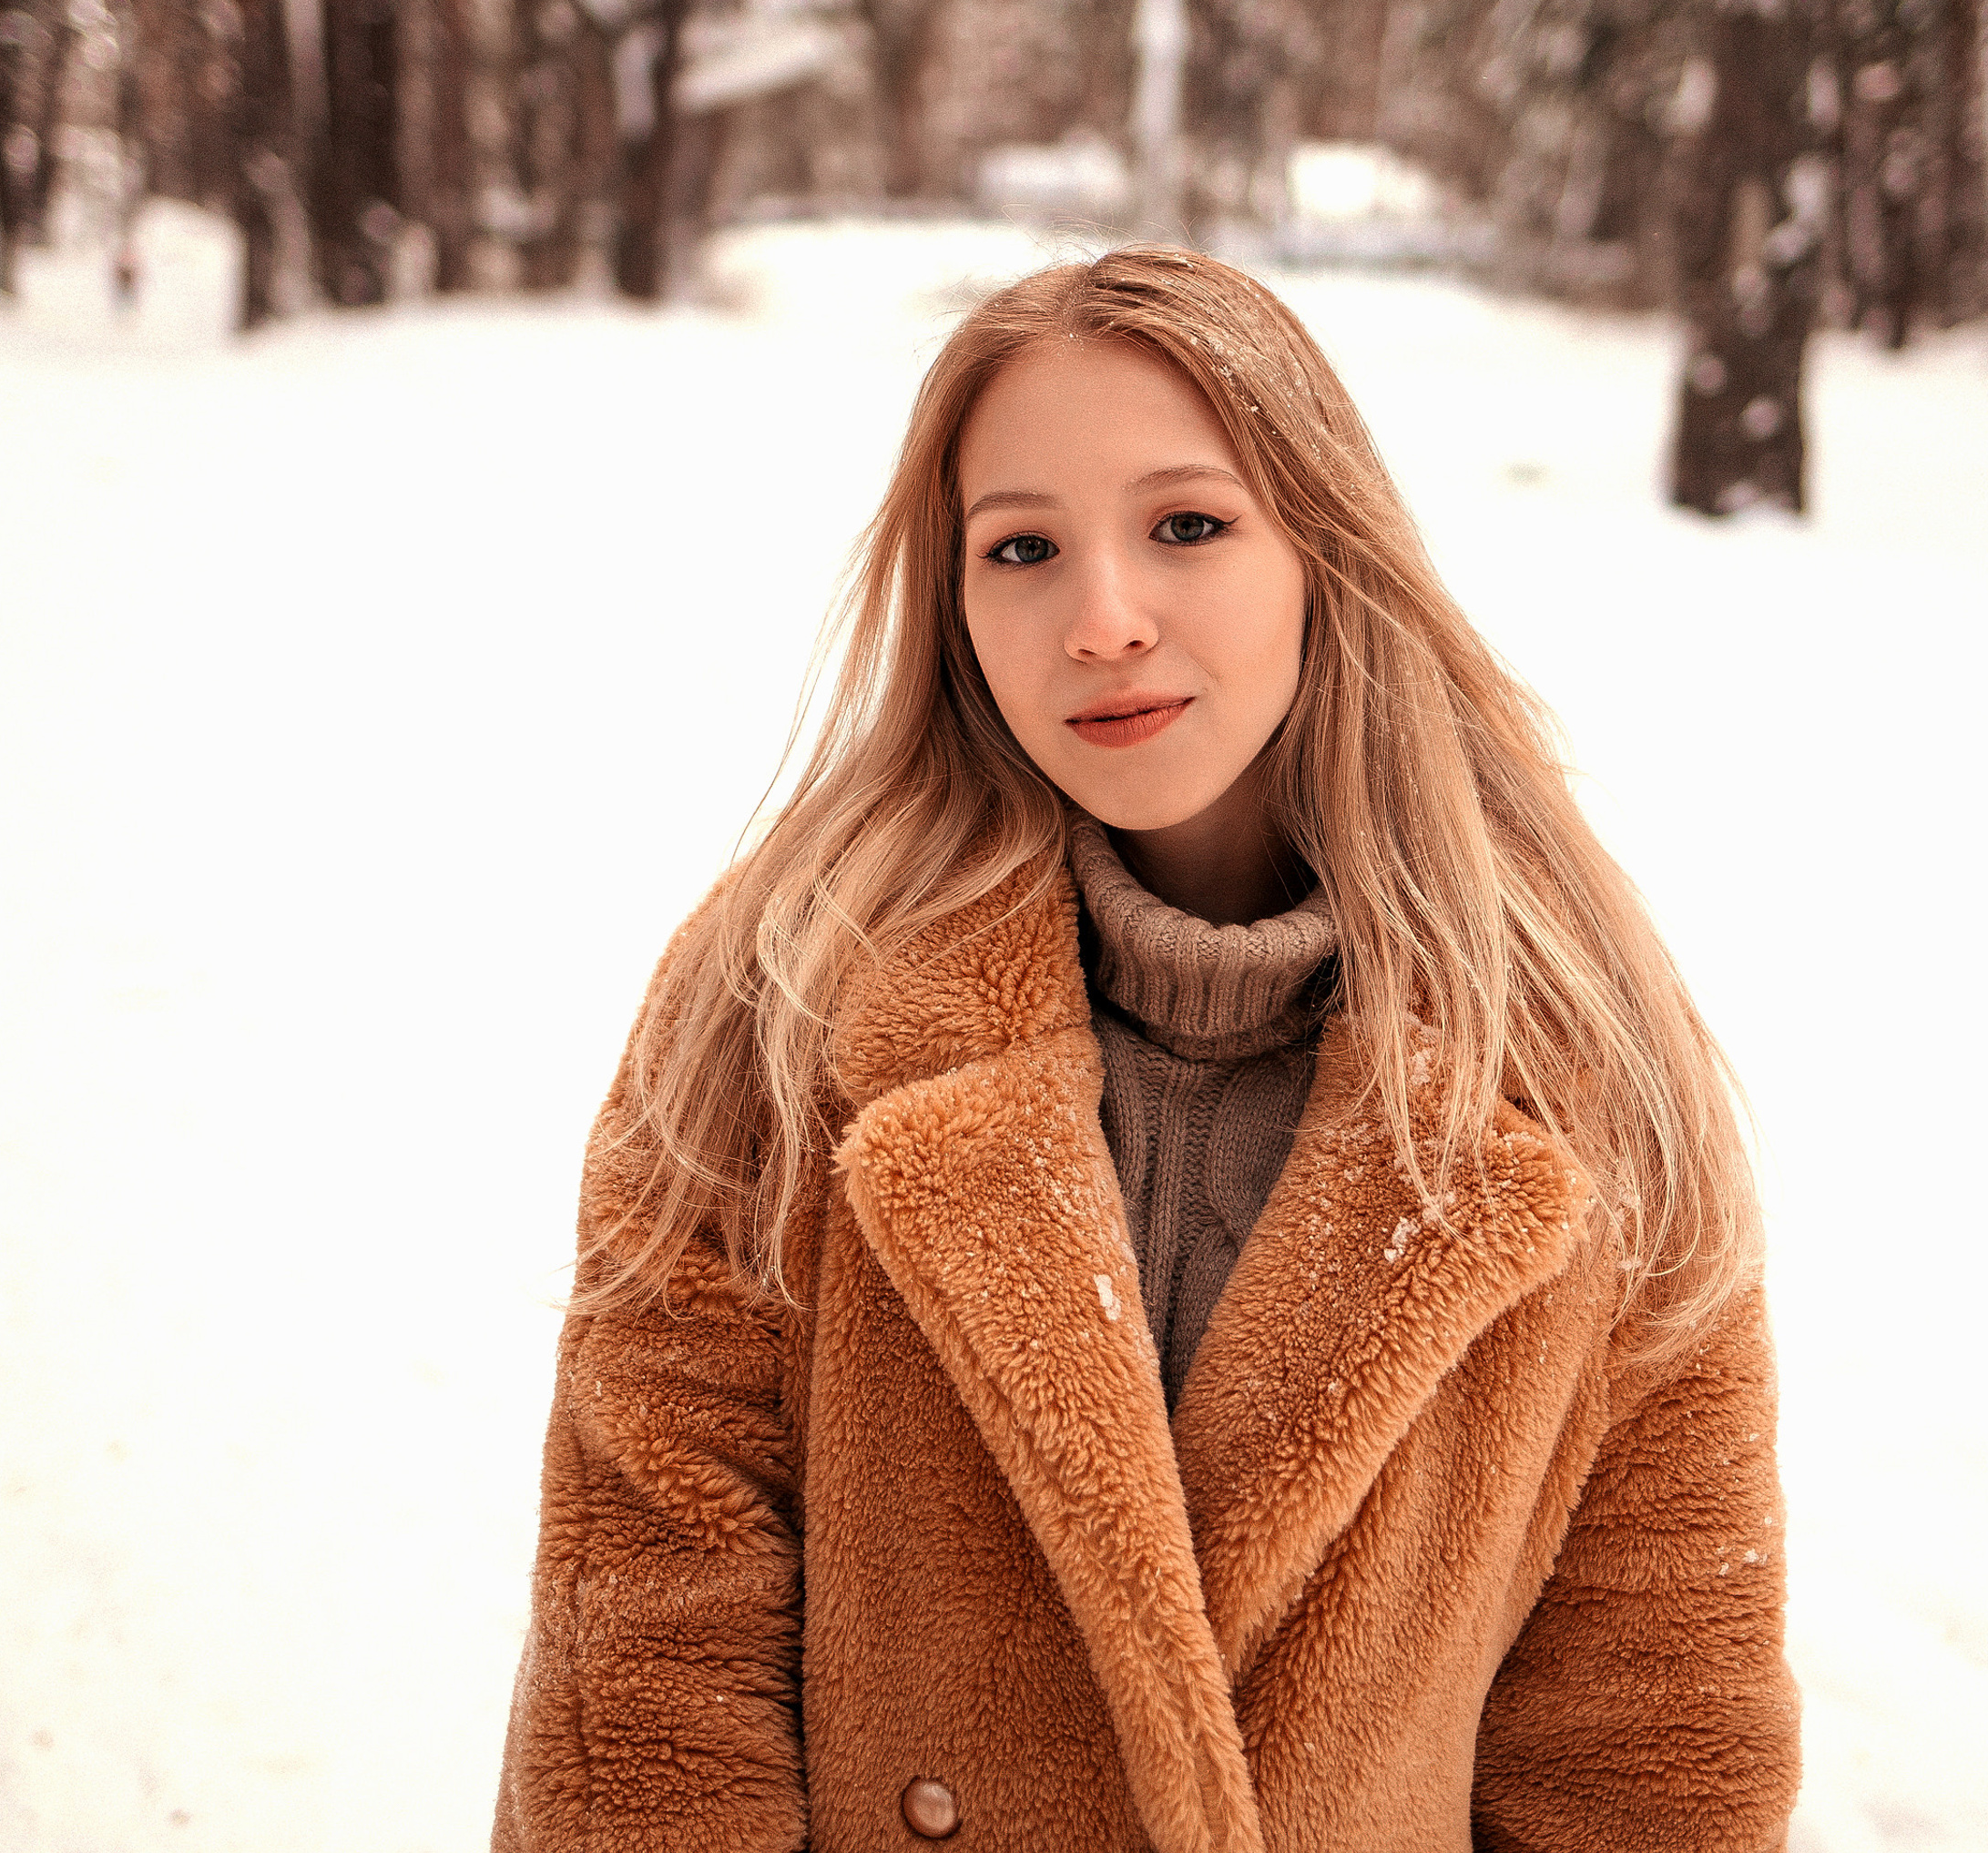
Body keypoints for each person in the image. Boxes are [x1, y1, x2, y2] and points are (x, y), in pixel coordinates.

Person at [493, 246, 1799, 1853]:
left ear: (1325, 545)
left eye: (1187, 525)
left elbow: (1656, 1740)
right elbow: (643, 1656)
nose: (1102, 621)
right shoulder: (778, 1006)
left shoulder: (1579, 1058)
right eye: (1022, 548)